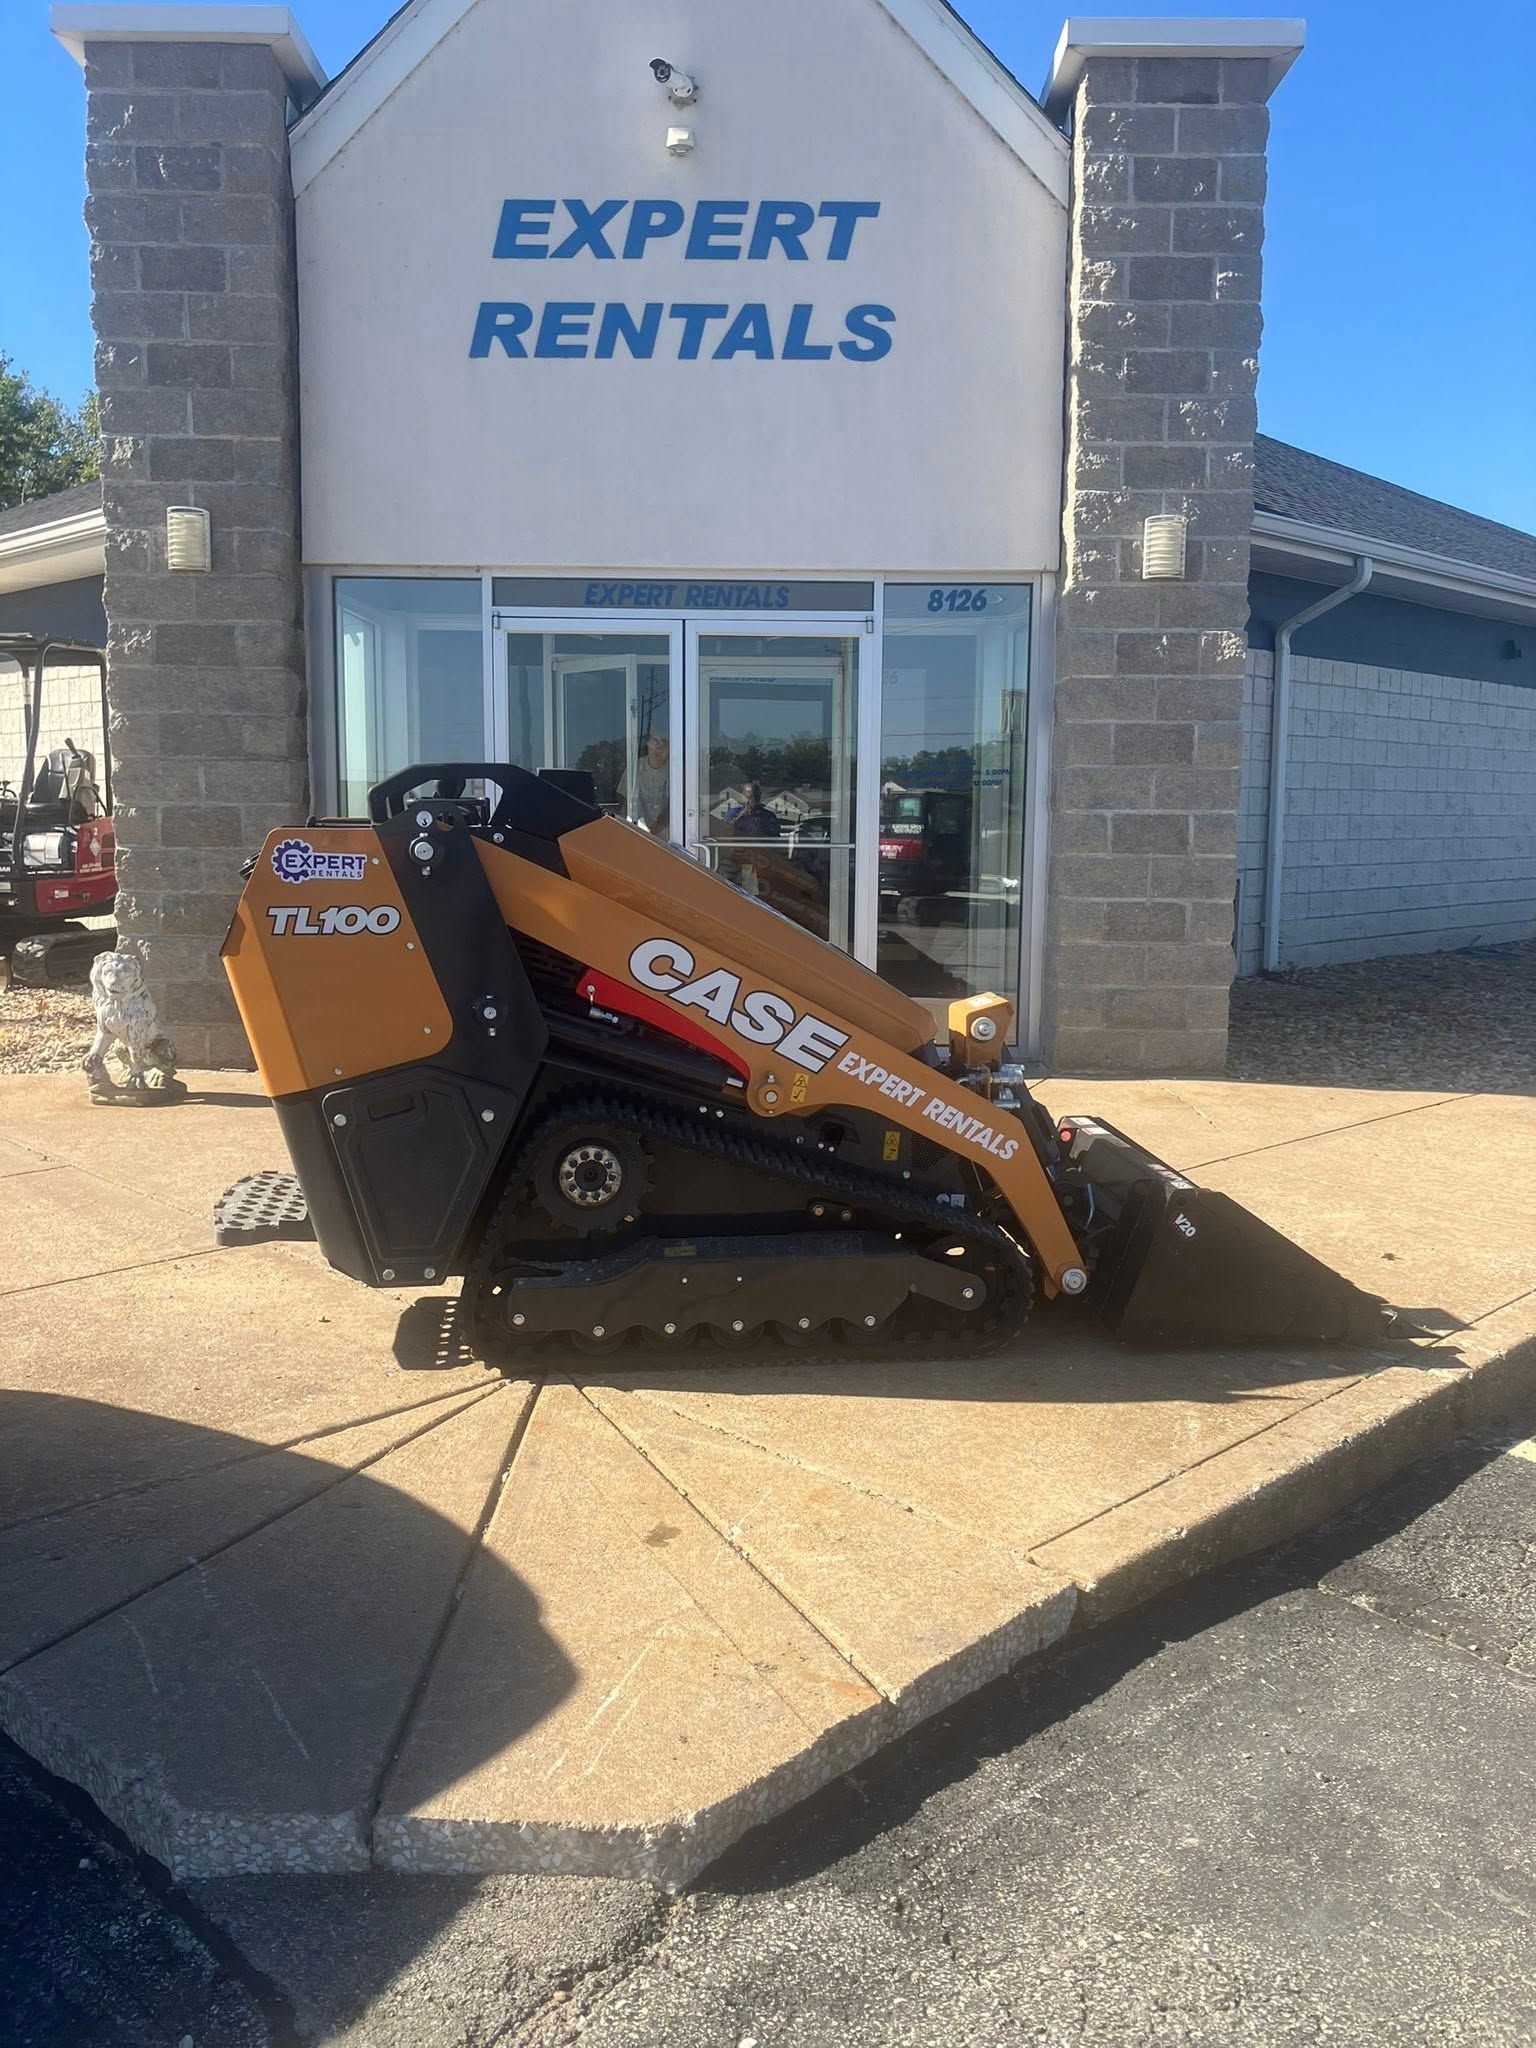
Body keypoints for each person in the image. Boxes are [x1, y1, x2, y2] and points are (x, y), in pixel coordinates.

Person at [624, 731, 670, 835]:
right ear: (648, 744)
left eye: (664, 741)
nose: (660, 746)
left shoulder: (677, 770)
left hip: (672, 837)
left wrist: (655, 828)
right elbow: (624, 802)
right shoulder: (635, 767)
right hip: (639, 833)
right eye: (655, 741)